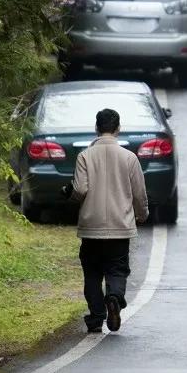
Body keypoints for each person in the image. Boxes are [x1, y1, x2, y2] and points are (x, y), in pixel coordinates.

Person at [62, 107, 149, 334]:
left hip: (91, 226)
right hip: (120, 227)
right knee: (117, 269)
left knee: (92, 272)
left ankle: (96, 317)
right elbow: (139, 193)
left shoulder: (85, 156)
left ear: (96, 128)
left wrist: (70, 195)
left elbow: (80, 189)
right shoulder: (129, 158)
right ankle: (114, 297)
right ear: (118, 129)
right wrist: (142, 214)